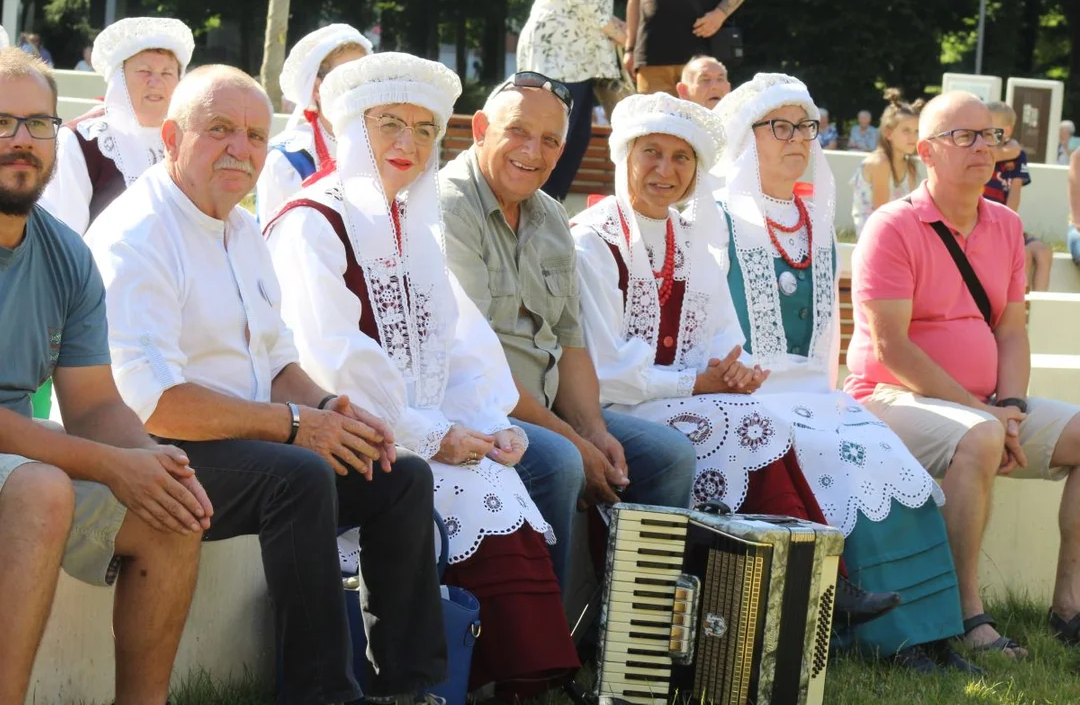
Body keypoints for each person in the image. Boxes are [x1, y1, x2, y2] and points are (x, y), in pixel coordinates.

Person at [84, 64, 447, 704]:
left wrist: (334, 408)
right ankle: (321, 695)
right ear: (171, 136)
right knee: (298, 476)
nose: (240, 149)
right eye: (218, 129)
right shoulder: (137, 235)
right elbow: (155, 403)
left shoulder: (243, 226)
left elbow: (278, 364)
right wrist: (297, 426)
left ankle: (411, 690)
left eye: (255, 136)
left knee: (399, 477)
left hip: (242, 442)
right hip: (148, 452)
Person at [264, 52, 579, 696]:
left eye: (425, 129)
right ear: (354, 127)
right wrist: (430, 435)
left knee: (498, 474)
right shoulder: (311, 223)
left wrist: (489, 421)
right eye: (390, 124)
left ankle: (498, 674)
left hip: (417, 428)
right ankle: (466, 674)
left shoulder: (410, 224)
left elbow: (458, 342)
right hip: (345, 432)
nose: (409, 143)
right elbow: (333, 360)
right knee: (463, 486)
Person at [570, 91, 902, 628]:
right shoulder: (594, 242)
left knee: (758, 417)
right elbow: (607, 372)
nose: (665, 170)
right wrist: (698, 383)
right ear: (625, 157)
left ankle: (808, 585)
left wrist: (738, 369)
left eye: (682, 158)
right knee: (743, 424)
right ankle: (813, 586)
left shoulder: (691, 238)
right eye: (651, 153)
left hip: (678, 400)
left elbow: (726, 334)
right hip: (614, 408)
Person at [714, 74, 973, 673]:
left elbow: (823, 337)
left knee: (889, 455)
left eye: (805, 125)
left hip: (814, 395)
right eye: (779, 126)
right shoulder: (715, 218)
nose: (796, 138)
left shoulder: (814, 220)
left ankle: (934, 630)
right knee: (853, 460)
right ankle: (890, 640)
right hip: (747, 398)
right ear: (743, 137)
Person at [0, 46, 203, 705]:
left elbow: (91, 404)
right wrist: (109, 466)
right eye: (2, 123)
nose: (21, 141)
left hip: (19, 463)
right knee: (42, 489)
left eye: (37, 124)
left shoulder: (64, 253)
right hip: (24, 475)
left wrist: (150, 461)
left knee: (169, 510)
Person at [439, 76, 698, 590]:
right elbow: (477, 368)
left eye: (552, 140)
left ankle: (626, 635)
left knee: (668, 455)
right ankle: (545, 660)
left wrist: (594, 430)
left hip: (546, 408)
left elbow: (571, 342)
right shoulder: (449, 208)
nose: (533, 152)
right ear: (482, 129)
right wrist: (572, 440)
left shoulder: (552, 214)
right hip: (475, 409)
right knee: (560, 463)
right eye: (518, 132)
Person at [847, 90, 1080, 658]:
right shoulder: (891, 227)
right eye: (964, 136)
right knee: (978, 438)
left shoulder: (1004, 226)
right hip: (887, 396)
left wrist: (1014, 407)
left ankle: (1069, 608)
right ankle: (968, 617)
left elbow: (1011, 330)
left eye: (991, 135)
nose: (983, 147)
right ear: (926, 151)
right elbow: (891, 346)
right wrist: (986, 416)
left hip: (982, 404)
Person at [39, 17, 194, 236]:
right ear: (119, 79)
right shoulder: (81, 142)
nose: (156, 82)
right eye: (144, 71)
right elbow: (63, 236)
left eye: (167, 73)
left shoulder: (190, 140)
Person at [254, 24, 371, 225]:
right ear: (317, 89)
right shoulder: (288, 160)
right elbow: (270, 243)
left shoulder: (388, 149)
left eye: (367, 80)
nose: (361, 92)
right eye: (349, 81)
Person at [517, 0, 624, 202]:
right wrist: (622, 33)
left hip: (578, 58)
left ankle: (548, 208)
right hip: (558, 54)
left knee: (576, 139)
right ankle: (530, 209)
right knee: (552, 137)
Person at [624, 0, 754, 96]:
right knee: (653, 120)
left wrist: (721, 14)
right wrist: (630, 48)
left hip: (702, 53)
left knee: (703, 119)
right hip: (651, 55)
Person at [983, 101, 1051, 291]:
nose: (984, 132)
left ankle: (1038, 309)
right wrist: (1010, 149)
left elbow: (1015, 193)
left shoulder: (1017, 155)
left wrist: (1009, 222)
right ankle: (1018, 308)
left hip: (1005, 221)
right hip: (983, 223)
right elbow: (1002, 153)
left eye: (991, 127)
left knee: (1044, 252)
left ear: (1007, 130)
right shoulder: (982, 150)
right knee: (1024, 254)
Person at [851, 89, 921, 239]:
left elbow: (910, 211)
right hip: (874, 240)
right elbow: (881, 215)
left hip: (896, 235)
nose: (913, 137)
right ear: (889, 133)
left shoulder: (909, 165)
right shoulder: (879, 163)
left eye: (916, 131)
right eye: (906, 131)